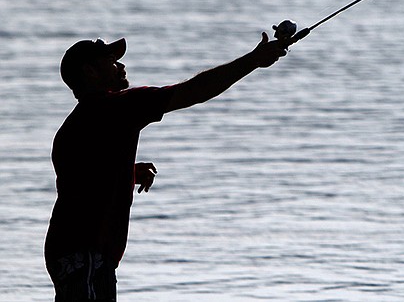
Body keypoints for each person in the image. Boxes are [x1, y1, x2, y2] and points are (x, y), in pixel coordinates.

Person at [45, 24, 300, 301]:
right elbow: (193, 90)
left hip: (73, 251)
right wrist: (253, 60)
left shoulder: (74, 125)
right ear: (90, 72)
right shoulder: (117, 107)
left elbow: (83, 179)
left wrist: (127, 173)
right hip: (85, 253)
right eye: (111, 61)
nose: (121, 66)